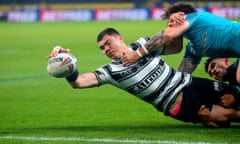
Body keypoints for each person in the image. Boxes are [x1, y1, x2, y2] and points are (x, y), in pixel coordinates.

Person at [47, 28, 240, 128]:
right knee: (228, 115)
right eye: (102, 48)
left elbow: (175, 47)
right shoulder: (110, 71)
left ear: (119, 38)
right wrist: (66, 64)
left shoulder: (142, 44)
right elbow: (78, 82)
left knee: (236, 95)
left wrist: (178, 28)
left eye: (108, 43)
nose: (106, 49)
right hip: (176, 103)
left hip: (190, 82)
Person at [120, 2, 240, 74]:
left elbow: (167, 35)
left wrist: (137, 54)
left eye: (171, 21)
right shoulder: (193, 48)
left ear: (182, 16)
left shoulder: (196, 17)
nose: (168, 25)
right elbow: (182, 73)